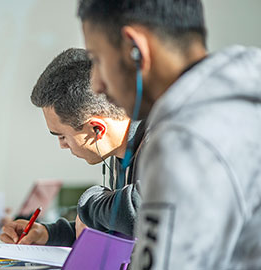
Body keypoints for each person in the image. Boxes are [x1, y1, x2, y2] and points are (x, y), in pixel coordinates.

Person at [78, 0, 261, 268]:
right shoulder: (242, 100)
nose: (96, 84)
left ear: (134, 49)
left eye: (97, 59)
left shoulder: (185, 138)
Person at [0, 48, 146, 246]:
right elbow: (117, 229)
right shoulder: (122, 151)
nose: (62, 145)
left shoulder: (164, 142)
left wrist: (90, 203)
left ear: (96, 129)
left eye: (62, 136)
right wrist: (49, 234)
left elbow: (141, 210)